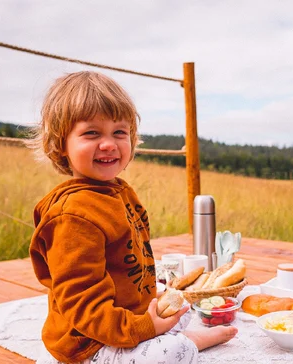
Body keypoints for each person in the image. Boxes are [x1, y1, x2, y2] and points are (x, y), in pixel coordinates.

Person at [29, 71, 237, 363]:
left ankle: (169, 335)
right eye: (92, 133)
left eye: (119, 132)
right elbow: (83, 306)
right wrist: (145, 327)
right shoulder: (73, 216)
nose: (108, 144)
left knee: (183, 306)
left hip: (128, 317)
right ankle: (189, 343)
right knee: (171, 352)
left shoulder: (120, 192)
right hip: (89, 344)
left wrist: (153, 305)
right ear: (61, 142)